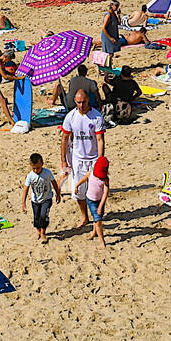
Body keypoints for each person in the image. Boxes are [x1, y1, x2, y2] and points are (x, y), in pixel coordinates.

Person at [60, 89, 105, 228]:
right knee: (79, 192)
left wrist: (100, 161)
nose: (81, 105)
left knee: (96, 192)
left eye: (84, 102)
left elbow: (100, 139)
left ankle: (97, 219)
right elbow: (64, 139)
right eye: (79, 102)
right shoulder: (70, 117)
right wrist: (63, 160)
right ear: (75, 101)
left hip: (92, 159)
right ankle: (85, 217)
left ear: (88, 100)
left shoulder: (96, 117)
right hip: (78, 159)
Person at [21, 153, 61, 244]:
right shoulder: (30, 176)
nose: (36, 170)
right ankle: (38, 231)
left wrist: (58, 194)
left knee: (43, 216)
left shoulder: (47, 173)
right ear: (31, 166)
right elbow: (26, 189)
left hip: (46, 199)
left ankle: (43, 232)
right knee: (36, 217)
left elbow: (54, 183)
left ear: (42, 164)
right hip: (35, 200)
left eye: (38, 168)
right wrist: (23, 203)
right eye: (33, 168)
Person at [74, 156, 109, 248]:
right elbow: (84, 178)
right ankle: (102, 242)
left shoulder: (105, 180)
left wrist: (101, 206)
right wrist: (77, 185)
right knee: (98, 221)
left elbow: (105, 193)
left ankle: (94, 232)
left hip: (100, 201)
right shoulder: (91, 174)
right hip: (90, 200)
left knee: (97, 219)